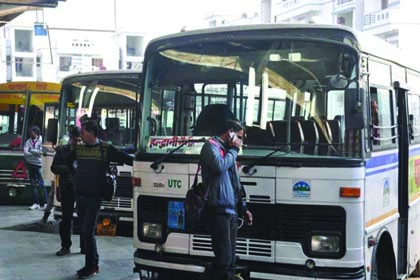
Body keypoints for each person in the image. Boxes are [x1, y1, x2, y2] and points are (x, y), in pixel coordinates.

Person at [66, 119, 133, 279]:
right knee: (84, 231)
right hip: (80, 195)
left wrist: (144, 162)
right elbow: (68, 160)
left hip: (94, 197)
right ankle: (93, 264)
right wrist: (76, 177)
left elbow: (124, 158)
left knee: (88, 232)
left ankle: (90, 266)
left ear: (91, 133)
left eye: (83, 132)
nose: (80, 135)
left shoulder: (105, 149)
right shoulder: (79, 149)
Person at [200, 119, 253, 280]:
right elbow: (219, 166)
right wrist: (234, 150)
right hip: (218, 210)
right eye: (239, 136)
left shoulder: (228, 150)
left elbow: (236, 183)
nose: (240, 141)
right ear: (230, 132)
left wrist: (243, 208)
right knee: (223, 259)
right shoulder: (211, 147)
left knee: (230, 261)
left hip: (231, 211)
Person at [49, 126, 83, 256]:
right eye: (75, 140)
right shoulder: (62, 151)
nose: (77, 143)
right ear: (70, 139)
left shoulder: (85, 151)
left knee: (83, 219)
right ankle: (65, 246)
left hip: (81, 189)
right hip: (67, 188)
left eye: (80, 140)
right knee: (66, 219)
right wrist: (68, 169)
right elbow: (54, 167)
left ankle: (84, 246)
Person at [24, 125, 48, 210]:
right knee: (33, 185)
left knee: (42, 184)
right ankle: (36, 203)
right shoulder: (28, 141)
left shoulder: (42, 141)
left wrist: (31, 151)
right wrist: (34, 153)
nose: (30, 133)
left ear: (36, 133)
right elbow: (25, 153)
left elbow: (41, 152)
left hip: (39, 165)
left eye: (31, 132)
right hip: (31, 164)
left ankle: (45, 203)